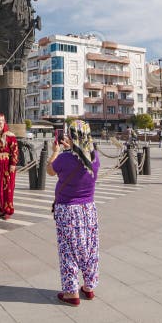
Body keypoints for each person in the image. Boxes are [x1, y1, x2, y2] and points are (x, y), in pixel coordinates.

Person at [46, 119, 100, 307]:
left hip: (68, 210)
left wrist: (56, 152)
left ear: (72, 136)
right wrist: (72, 148)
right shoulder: (94, 157)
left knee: (68, 250)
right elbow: (81, 156)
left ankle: (71, 293)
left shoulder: (64, 158)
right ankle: (89, 286)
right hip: (89, 209)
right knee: (89, 248)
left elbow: (50, 171)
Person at [0, 113, 18, 219]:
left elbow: (15, 151)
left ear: (4, 123)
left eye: (1, 122)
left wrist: (13, 164)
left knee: (6, 188)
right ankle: (0, 209)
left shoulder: (10, 136)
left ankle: (7, 211)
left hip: (6, 166)